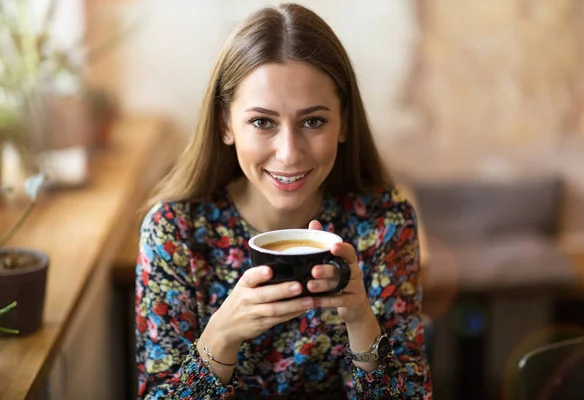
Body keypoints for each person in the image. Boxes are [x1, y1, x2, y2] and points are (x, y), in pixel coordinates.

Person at [135, 3, 432, 399]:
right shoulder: (174, 232)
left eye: (313, 121)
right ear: (226, 124)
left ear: (343, 121)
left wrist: (361, 319)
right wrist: (222, 334)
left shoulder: (384, 226)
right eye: (262, 122)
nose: (289, 153)